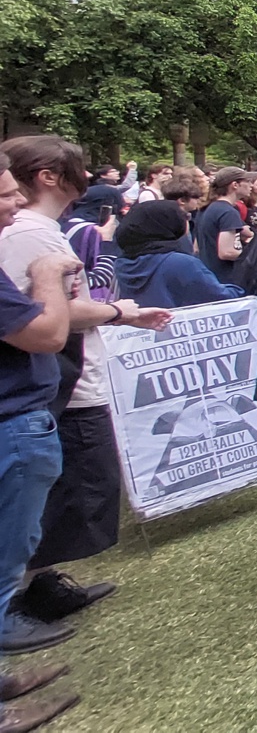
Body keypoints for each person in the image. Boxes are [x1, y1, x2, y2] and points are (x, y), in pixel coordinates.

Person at [0, 139, 169, 657]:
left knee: (52, 500)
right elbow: (44, 320)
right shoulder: (28, 238)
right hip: (47, 387)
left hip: (56, 381)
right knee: (35, 502)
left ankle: (38, 586)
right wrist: (115, 311)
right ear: (52, 175)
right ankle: (12, 609)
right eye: (6, 195)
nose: (13, 205)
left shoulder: (37, 231)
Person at [0, 196, 85, 731]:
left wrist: (125, 312)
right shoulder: (32, 252)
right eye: (7, 193)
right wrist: (46, 272)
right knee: (5, 562)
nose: (16, 205)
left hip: (19, 423)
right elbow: (48, 333)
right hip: (13, 426)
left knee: (13, 553)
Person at [112, 202, 247, 308]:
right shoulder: (181, 263)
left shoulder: (122, 262)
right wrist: (241, 286)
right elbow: (219, 296)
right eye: (184, 217)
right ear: (169, 224)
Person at [193, 167, 253, 284]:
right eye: (248, 181)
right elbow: (226, 252)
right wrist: (254, 257)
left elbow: (196, 247)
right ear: (235, 185)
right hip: (226, 278)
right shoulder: (228, 212)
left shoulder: (206, 208)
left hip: (209, 277)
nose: (251, 185)